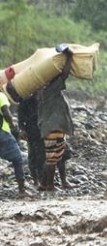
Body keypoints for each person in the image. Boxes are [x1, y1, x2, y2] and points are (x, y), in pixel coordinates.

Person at [37, 46, 76, 191]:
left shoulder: (42, 89)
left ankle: (45, 183)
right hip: (53, 127)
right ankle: (49, 185)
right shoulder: (50, 89)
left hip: (52, 127)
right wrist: (69, 57)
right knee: (52, 158)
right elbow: (65, 74)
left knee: (54, 156)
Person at [0, 90, 29, 197]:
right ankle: (22, 190)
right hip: (2, 134)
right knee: (17, 159)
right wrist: (13, 127)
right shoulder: (1, 96)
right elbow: (6, 113)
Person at [17, 96, 45, 187]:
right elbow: (20, 117)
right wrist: (22, 130)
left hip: (44, 131)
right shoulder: (26, 101)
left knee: (42, 157)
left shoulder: (46, 99)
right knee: (33, 157)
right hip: (31, 132)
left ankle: (42, 181)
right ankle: (36, 181)